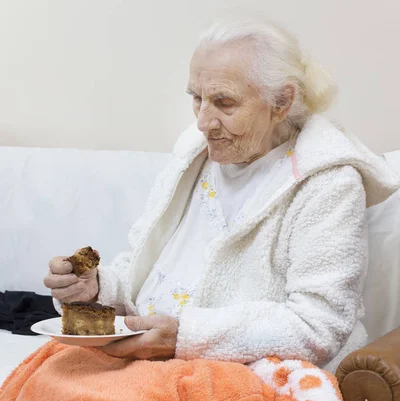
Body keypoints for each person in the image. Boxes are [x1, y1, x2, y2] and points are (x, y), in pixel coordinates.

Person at [44, 17, 399, 372]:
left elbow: (319, 325)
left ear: (282, 102)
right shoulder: (193, 156)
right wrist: (93, 289)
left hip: (242, 374)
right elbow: (142, 272)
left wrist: (185, 337)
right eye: (196, 99)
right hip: (150, 363)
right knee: (48, 381)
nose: (203, 122)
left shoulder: (328, 182)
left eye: (224, 102)